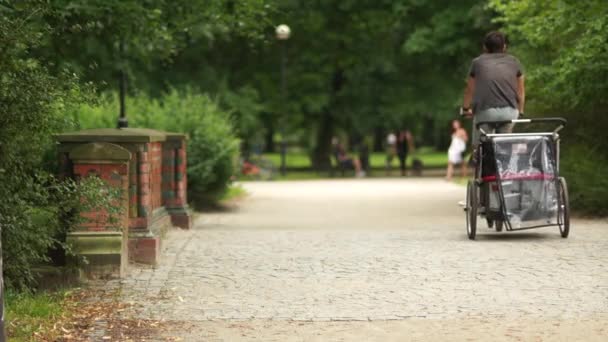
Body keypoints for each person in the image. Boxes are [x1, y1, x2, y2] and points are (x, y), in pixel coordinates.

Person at [461, 31, 525, 149]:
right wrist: (520, 110)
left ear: (485, 47)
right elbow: (520, 90)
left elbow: (470, 89)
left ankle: (478, 155)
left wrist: (465, 108)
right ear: (504, 46)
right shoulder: (514, 62)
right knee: (504, 146)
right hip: (509, 112)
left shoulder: (477, 62)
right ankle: (504, 163)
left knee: (480, 145)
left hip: (485, 112)